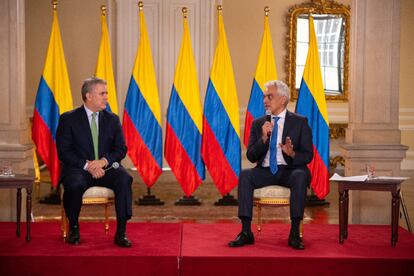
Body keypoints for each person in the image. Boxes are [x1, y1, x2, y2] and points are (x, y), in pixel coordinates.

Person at [228, 80, 313, 250]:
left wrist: (292, 154)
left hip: (290, 170)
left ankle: (295, 233)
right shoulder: (258, 123)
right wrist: (264, 139)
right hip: (266, 171)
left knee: (301, 175)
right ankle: (246, 232)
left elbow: (308, 155)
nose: (265, 100)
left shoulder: (300, 122)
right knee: (245, 175)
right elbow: (251, 156)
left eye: (270, 96)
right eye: (264, 97)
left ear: (282, 99)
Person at [56, 77, 133, 247]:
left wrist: (103, 161)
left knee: (124, 178)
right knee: (74, 184)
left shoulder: (112, 119)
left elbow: (121, 149)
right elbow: (64, 152)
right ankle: (74, 227)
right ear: (89, 96)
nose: (107, 97)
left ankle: (121, 232)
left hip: (107, 167)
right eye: (102, 93)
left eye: (106, 93)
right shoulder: (68, 119)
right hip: (79, 168)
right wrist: (88, 165)